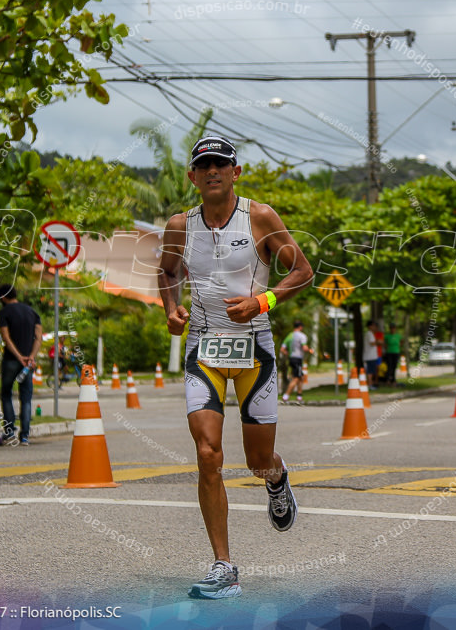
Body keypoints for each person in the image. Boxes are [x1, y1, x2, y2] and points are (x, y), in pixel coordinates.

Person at [157, 135, 312, 599]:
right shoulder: (179, 225)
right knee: (208, 454)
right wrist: (170, 309)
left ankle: (277, 480)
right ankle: (224, 565)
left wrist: (262, 300)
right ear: (192, 176)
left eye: (220, 164)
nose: (212, 172)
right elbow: (167, 272)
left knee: (258, 460)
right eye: (203, 165)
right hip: (203, 345)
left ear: (235, 171)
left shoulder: (260, 217)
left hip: (253, 348)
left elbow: (302, 271)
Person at [0, 283, 41, 445]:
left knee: (6, 394)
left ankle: (10, 432)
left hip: (11, 360)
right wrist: (31, 357)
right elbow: (38, 338)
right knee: (26, 398)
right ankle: (25, 436)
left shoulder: (4, 313)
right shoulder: (32, 312)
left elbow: (6, 338)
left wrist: (18, 356)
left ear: (2, 297)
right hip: (27, 364)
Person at [281, 320, 313, 403]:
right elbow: (304, 348)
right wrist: (310, 350)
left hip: (291, 358)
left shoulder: (289, 336)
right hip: (298, 359)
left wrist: (288, 354)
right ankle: (286, 396)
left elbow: (282, 349)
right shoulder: (302, 336)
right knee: (296, 378)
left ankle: (299, 396)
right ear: (301, 327)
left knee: (301, 377)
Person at [363, 320, 381, 389]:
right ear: (370, 326)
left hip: (371, 356)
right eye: (373, 325)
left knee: (371, 371)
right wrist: (378, 341)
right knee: (370, 371)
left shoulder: (370, 334)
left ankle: (370, 384)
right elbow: (372, 343)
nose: (375, 327)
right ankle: (370, 385)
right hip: (370, 356)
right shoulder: (369, 333)